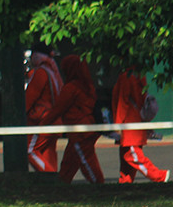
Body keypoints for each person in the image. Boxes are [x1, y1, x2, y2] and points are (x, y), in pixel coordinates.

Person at [40, 55, 103, 184]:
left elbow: (58, 109)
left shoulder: (71, 89)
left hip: (79, 133)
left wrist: (42, 125)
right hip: (87, 130)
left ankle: (99, 187)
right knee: (69, 162)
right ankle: (62, 185)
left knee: (87, 164)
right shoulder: (88, 86)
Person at [111, 66, 170, 183]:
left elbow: (123, 102)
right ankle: (125, 182)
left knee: (131, 155)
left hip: (129, 124)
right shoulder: (139, 75)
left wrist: (118, 125)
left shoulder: (126, 77)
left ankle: (160, 176)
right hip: (136, 122)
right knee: (127, 154)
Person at [25, 43, 63, 173]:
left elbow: (29, 97)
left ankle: (49, 176)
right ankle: (53, 183)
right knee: (48, 153)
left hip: (42, 121)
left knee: (30, 151)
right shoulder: (53, 71)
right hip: (54, 120)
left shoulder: (41, 72)